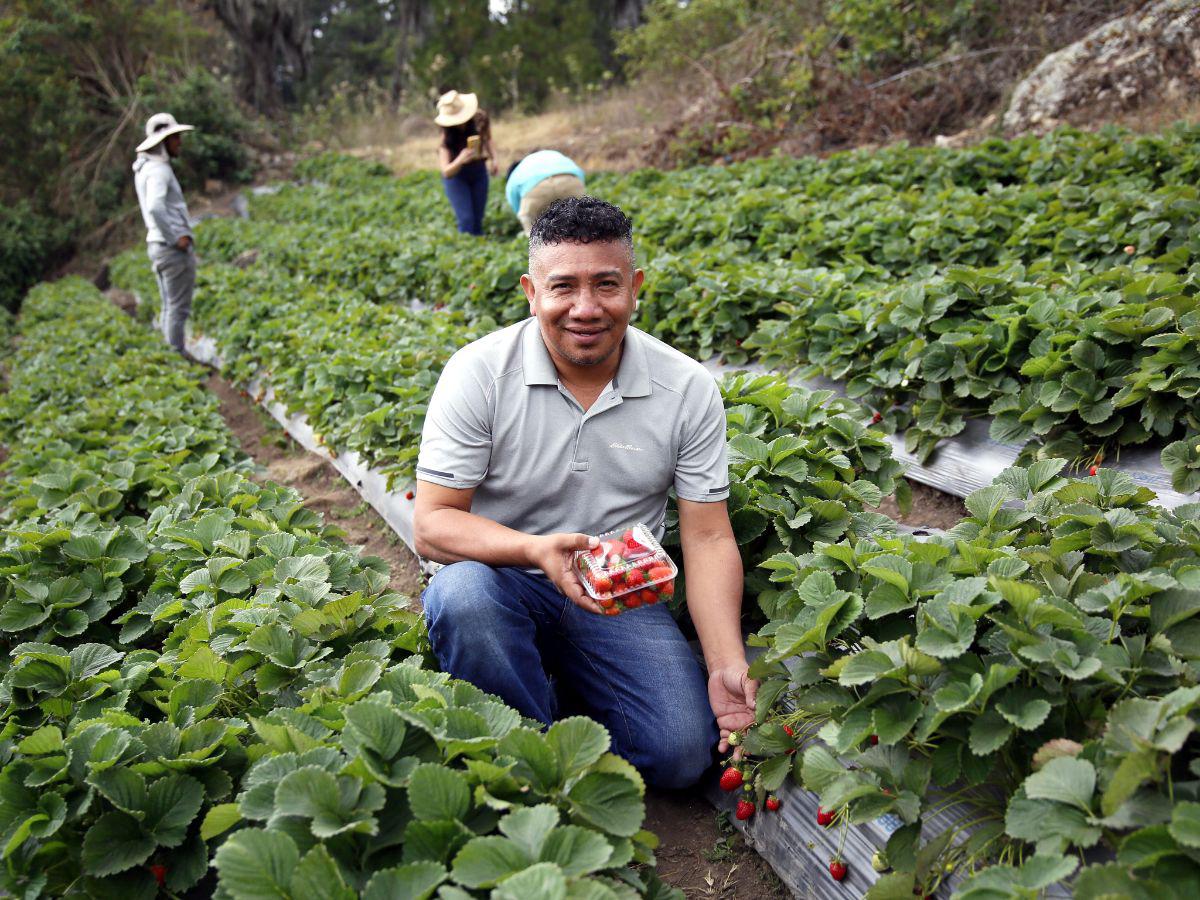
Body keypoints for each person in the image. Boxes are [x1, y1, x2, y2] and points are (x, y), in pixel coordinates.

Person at [413, 197, 755, 790]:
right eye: (563, 287)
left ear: (636, 286)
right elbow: (433, 523)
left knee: (679, 755)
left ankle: (561, 685)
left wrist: (725, 664)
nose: (586, 308)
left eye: (606, 285)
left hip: (617, 592)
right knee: (463, 596)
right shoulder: (479, 374)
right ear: (530, 291)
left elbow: (707, 535)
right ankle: (528, 766)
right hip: (502, 578)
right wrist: (536, 551)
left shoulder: (686, 387)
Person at [133, 112, 197, 355]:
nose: (179, 142)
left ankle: (172, 356)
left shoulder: (145, 168)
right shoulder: (159, 171)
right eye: (175, 138)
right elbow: (156, 206)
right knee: (178, 309)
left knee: (169, 306)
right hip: (170, 249)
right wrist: (176, 238)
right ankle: (177, 357)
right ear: (163, 142)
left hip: (157, 246)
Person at [436, 90, 498, 236]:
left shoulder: (479, 118)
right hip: (457, 177)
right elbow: (446, 171)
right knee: (466, 220)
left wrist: (494, 159)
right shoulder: (445, 135)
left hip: (478, 171)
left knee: (477, 219)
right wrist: (460, 159)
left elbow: (488, 139)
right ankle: (465, 251)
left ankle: (478, 248)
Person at [505, 150, 586, 236]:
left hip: (537, 189)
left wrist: (525, 214)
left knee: (532, 232)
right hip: (570, 181)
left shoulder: (517, 171)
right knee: (580, 222)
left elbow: (514, 199)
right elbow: (578, 173)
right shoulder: (550, 154)